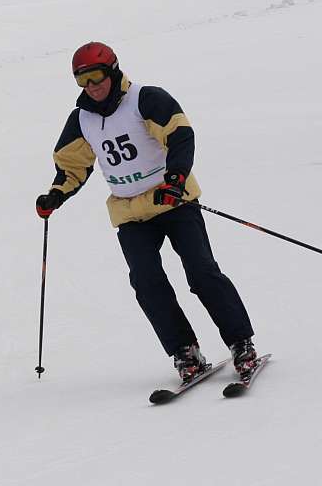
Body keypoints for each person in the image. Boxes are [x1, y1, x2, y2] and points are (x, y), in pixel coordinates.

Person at [35, 42, 258, 383]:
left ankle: (241, 343)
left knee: (201, 273)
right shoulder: (82, 119)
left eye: (96, 76)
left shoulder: (145, 99)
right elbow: (72, 166)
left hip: (172, 202)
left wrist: (176, 178)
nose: (92, 86)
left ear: (112, 70)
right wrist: (55, 194)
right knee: (146, 282)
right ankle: (186, 352)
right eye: (82, 80)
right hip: (129, 214)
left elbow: (180, 136)